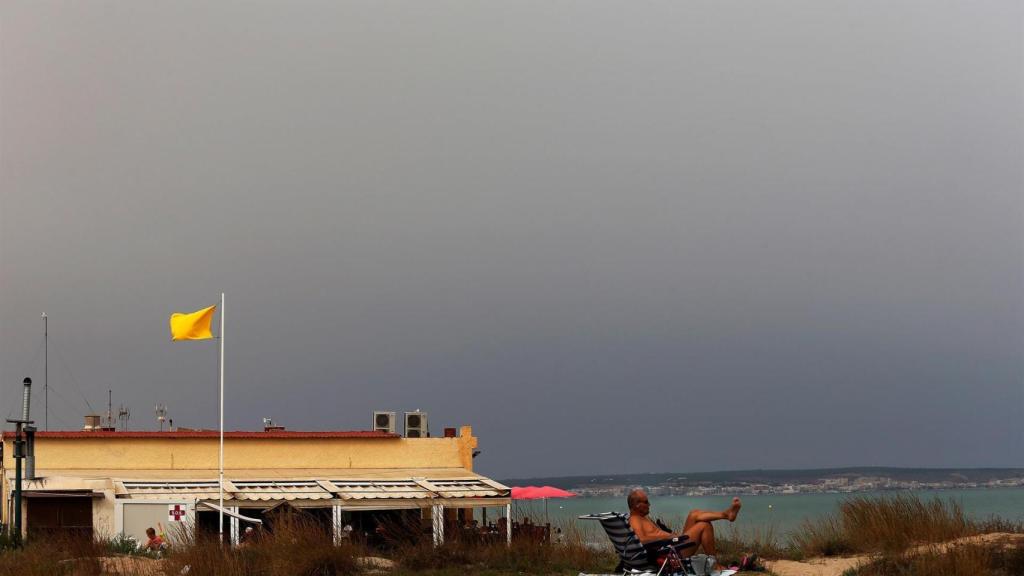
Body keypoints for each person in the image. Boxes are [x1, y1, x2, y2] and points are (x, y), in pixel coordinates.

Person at [627, 489, 740, 564]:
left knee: (694, 514)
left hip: (673, 546)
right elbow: (641, 540)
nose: (649, 504)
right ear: (637, 505)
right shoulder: (635, 521)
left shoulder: (641, 518)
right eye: (646, 502)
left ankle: (726, 514)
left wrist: (671, 537)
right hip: (671, 554)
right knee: (704, 526)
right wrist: (668, 537)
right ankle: (715, 565)